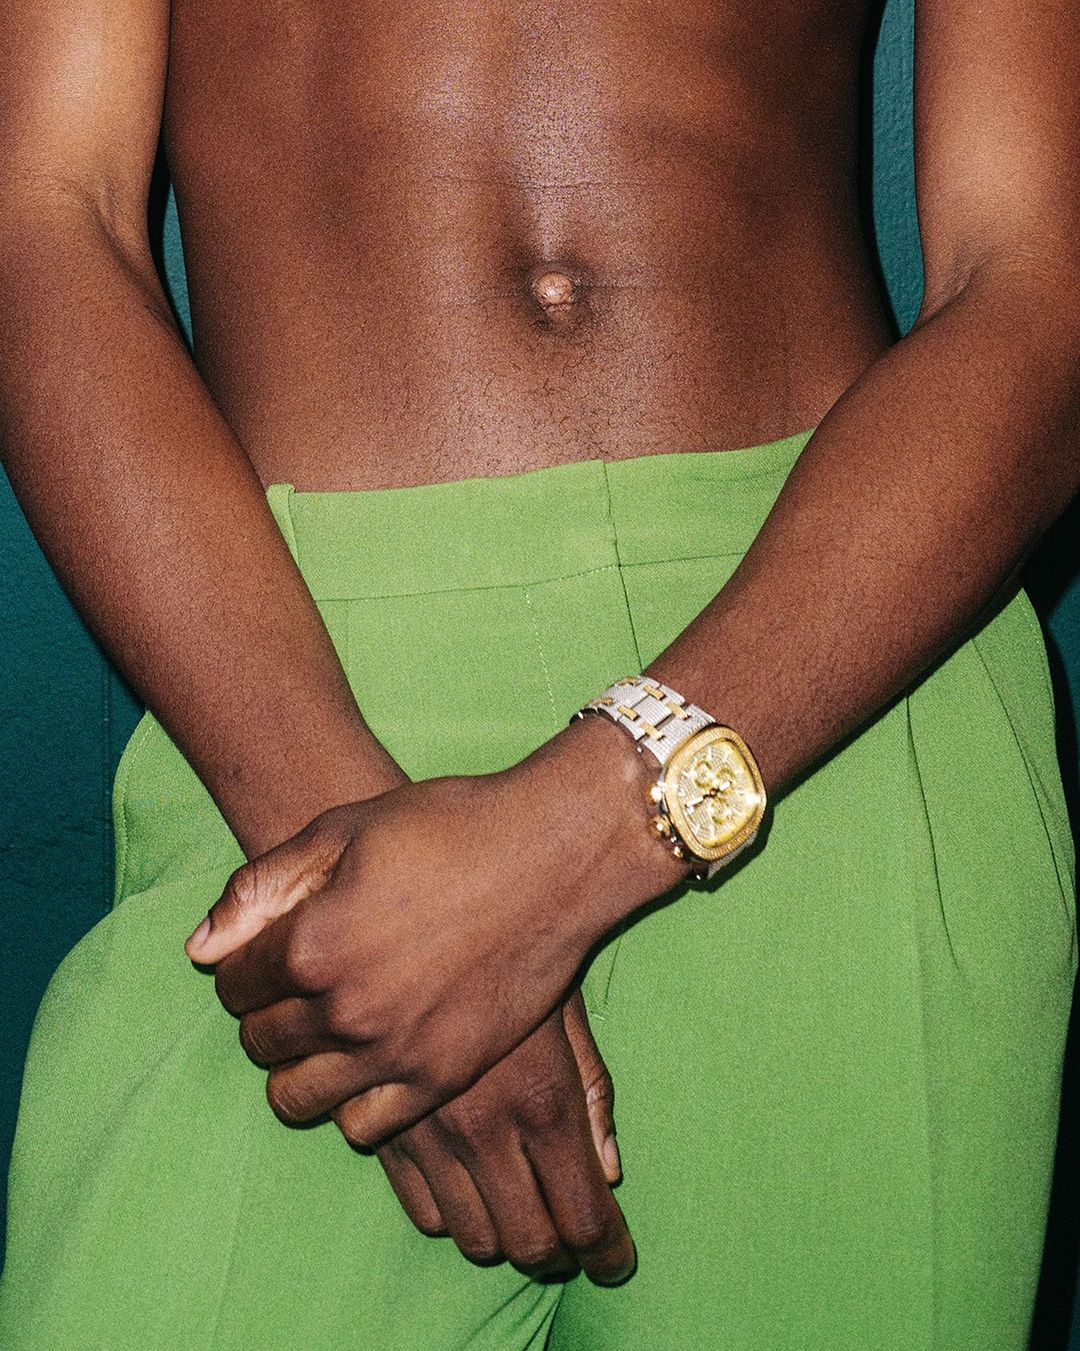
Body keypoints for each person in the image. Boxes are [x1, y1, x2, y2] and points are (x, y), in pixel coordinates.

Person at [1, 0, 1078, 1346]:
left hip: (842, 676)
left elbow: (1037, 289)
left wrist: (574, 841)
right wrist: (354, 888)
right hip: (286, 699)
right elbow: (50, 216)